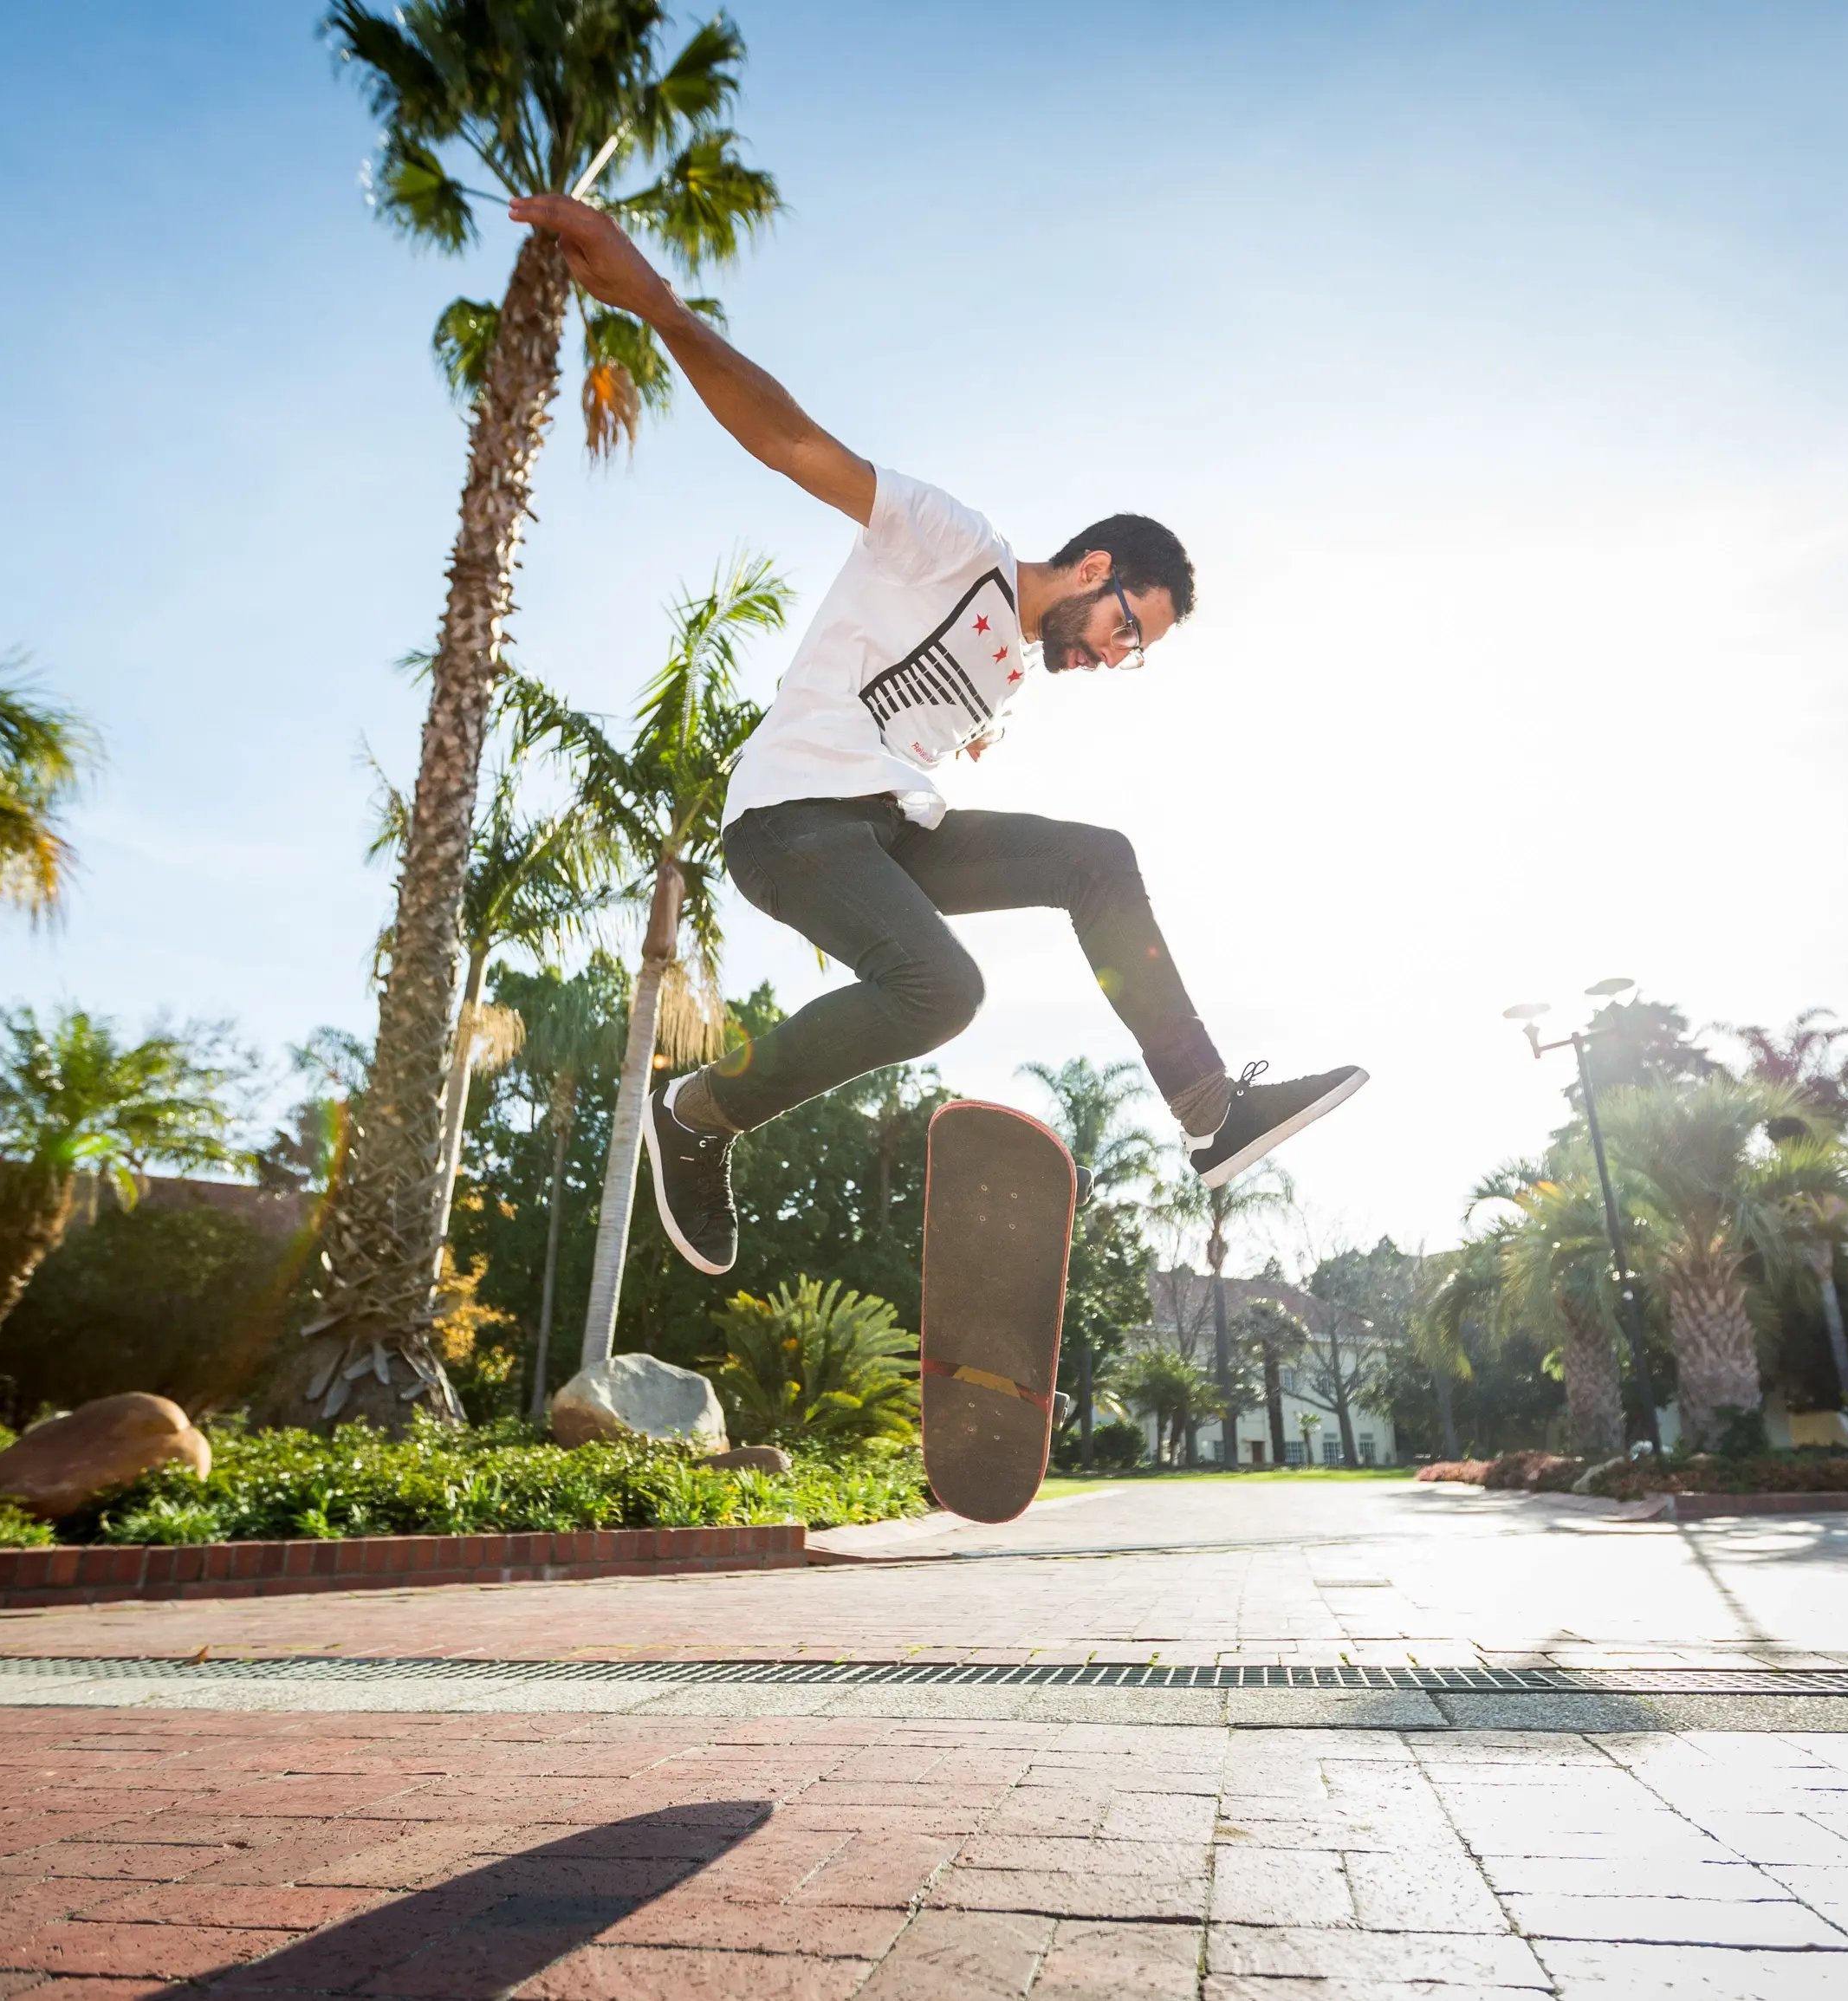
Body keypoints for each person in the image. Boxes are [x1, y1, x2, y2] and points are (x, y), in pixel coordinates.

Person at [512, 192, 1366, 1277]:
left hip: (884, 827)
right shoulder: (953, 543)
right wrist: (660, 307)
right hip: (788, 820)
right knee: (944, 989)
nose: (1113, 657)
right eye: (1123, 629)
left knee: (1096, 858)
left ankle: (1209, 1111)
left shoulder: (1007, 673)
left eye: (1132, 653)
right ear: (1093, 568)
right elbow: (789, 443)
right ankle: (696, 1112)